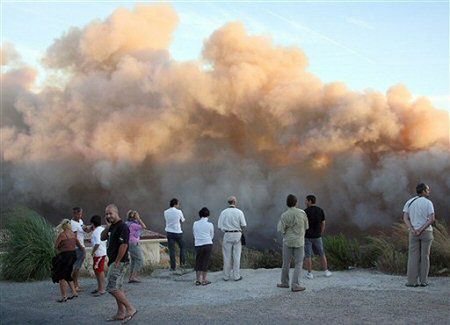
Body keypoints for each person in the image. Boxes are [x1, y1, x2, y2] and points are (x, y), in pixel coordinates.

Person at [101, 204, 137, 322]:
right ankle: (121, 313)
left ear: (117, 213)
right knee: (118, 287)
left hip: (119, 262)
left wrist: (117, 261)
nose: (108, 215)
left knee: (111, 287)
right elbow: (102, 237)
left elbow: (124, 244)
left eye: (110, 213)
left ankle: (130, 308)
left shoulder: (122, 226)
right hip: (114, 261)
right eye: (106, 214)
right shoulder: (113, 226)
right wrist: (108, 226)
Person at [403, 183, 435, 287]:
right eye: (428, 190)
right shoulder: (428, 203)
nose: (429, 192)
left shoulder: (409, 202)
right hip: (426, 232)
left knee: (413, 257)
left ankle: (412, 282)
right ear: (424, 191)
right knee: (425, 257)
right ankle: (423, 281)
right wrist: (421, 229)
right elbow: (431, 219)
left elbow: (405, 218)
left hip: (413, 233)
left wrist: (412, 229)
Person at [277, 194, 309, 292]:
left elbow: (280, 230)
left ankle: (284, 283)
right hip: (299, 241)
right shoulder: (302, 213)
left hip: (288, 242)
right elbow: (306, 226)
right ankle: (295, 284)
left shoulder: (284, 215)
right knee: (299, 263)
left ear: (287, 203)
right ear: (296, 203)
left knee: (286, 263)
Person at [52, 219, 85, 302]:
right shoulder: (73, 234)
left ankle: (64, 297)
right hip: (73, 255)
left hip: (64, 256)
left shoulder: (62, 235)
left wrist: (59, 251)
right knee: (67, 274)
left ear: (63, 226)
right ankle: (74, 293)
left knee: (61, 276)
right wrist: (83, 253)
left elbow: (55, 246)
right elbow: (79, 245)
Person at [218, 196, 247, 281]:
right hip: (237, 234)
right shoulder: (239, 212)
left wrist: (226, 229)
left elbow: (219, 226)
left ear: (229, 202)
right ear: (235, 202)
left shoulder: (223, 212)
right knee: (237, 256)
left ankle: (226, 276)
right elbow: (244, 225)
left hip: (227, 234)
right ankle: (236, 276)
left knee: (227, 256)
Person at [303, 195, 332, 279]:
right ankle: (326, 271)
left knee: (308, 255)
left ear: (310, 201)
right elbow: (323, 223)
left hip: (307, 237)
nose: (305, 202)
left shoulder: (305, 212)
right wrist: (320, 232)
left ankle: (309, 273)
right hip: (317, 236)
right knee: (321, 254)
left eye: (306, 201)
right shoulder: (320, 210)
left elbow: (303, 225)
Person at [70, 207, 92, 291]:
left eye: (81, 214)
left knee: (77, 267)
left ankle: (75, 285)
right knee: (76, 267)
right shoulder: (73, 224)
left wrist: (92, 226)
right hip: (77, 248)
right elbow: (74, 238)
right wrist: (82, 248)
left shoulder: (80, 221)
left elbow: (85, 230)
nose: (80, 215)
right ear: (75, 214)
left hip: (80, 246)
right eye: (79, 214)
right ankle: (75, 286)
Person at [193, 207, 214, 285]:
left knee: (198, 261)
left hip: (198, 244)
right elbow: (212, 235)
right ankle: (204, 279)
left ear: (200, 215)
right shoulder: (210, 224)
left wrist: (199, 240)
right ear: (208, 215)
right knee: (206, 261)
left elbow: (194, 234)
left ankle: (198, 280)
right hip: (208, 244)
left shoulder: (195, 223)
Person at [164, 198, 186, 272]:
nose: (178, 205)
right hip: (178, 232)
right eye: (178, 204)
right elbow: (183, 220)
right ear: (175, 204)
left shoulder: (165, 212)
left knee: (172, 250)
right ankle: (182, 265)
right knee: (182, 248)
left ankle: (173, 267)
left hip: (169, 233)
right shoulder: (179, 211)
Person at [125, 210, 147, 283]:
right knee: (140, 260)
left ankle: (131, 277)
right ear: (134, 217)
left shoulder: (127, 223)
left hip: (129, 243)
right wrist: (139, 219)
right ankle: (133, 277)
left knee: (134, 261)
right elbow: (144, 226)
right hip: (133, 243)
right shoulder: (134, 225)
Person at [90, 215, 107, 296]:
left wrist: (92, 252)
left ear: (93, 223)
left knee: (99, 271)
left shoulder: (96, 232)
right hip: (102, 253)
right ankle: (100, 287)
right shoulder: (102, 229)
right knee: (98, 270)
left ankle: (102, 289)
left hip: (98, 254)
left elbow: (97, 243)